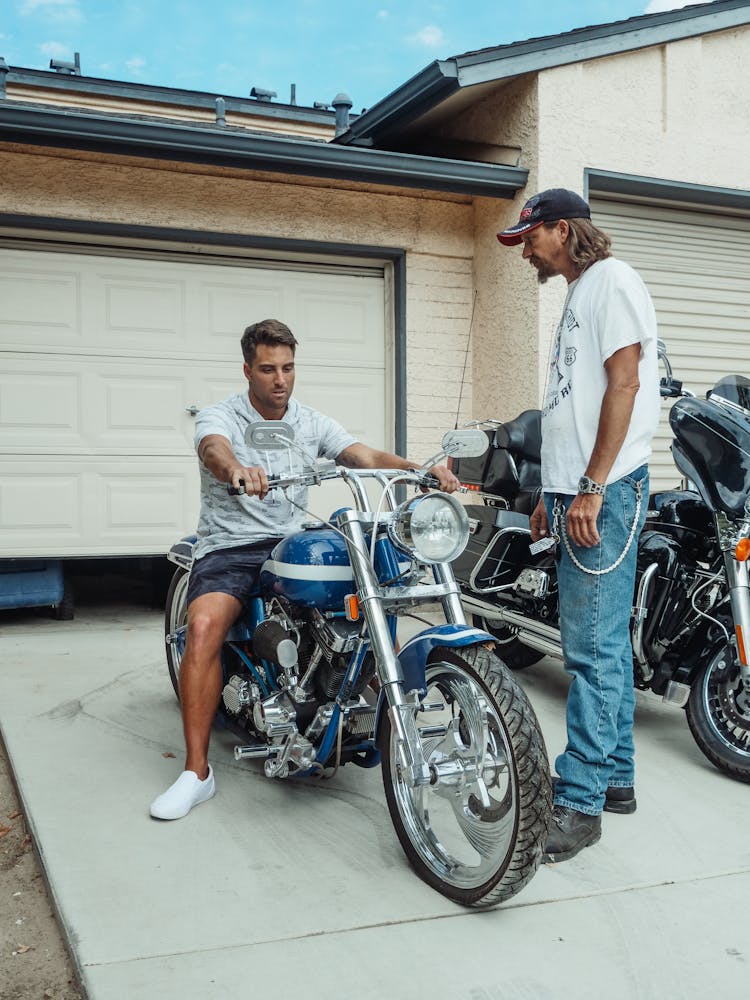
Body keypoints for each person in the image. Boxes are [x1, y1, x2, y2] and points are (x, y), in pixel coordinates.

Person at [150, 318, 459, 820]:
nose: (280, 380)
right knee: (204, 627)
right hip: (231, 547)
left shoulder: (310, 422)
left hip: (292, 541)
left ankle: (360, 706)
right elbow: (213, 448)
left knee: (362, 608)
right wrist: (236, 471)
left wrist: (414, 469)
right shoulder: (220, 415)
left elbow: (359, 453)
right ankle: (196, 772)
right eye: (268, 369)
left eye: (288, 368)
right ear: (247, 369)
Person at [497, 189, 660, 862]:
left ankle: (580, 801)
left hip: (606, 490)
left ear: (564, 229)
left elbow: (624, 384)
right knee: (606, 645)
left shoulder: (612, 281)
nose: (525, 248)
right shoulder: (579, 291)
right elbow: (572, 401)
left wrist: (590, 487)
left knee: (589, 653)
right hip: (575, 492)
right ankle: (615, 778)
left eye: (531, 236)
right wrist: (550, 492)